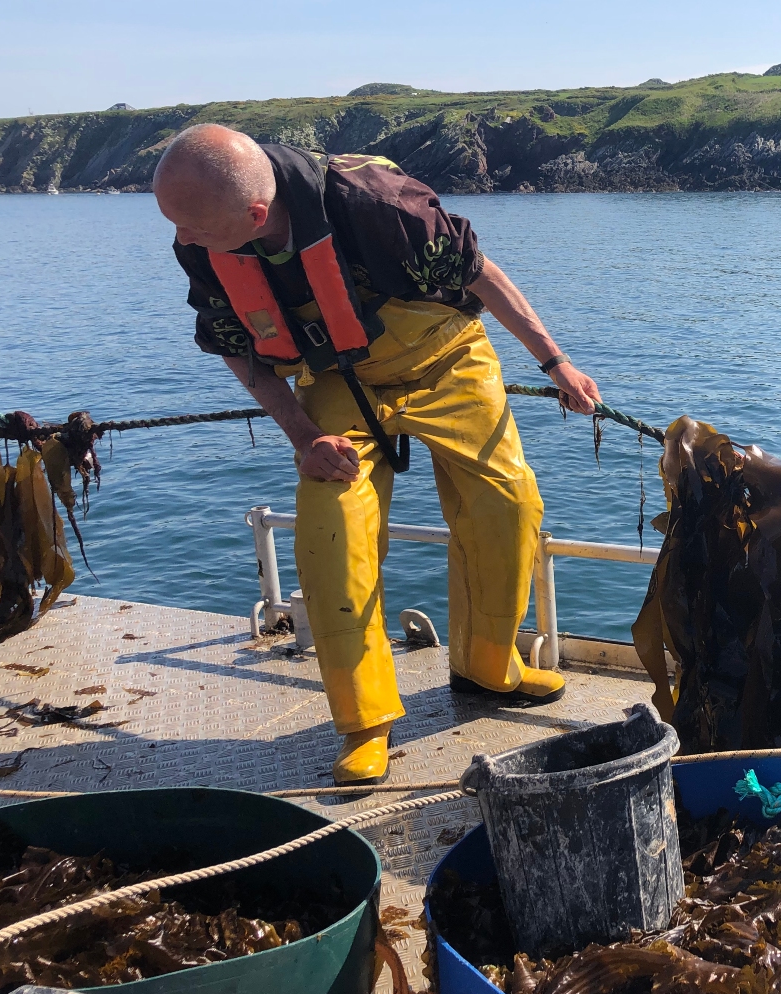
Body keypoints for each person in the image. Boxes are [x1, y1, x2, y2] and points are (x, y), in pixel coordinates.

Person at [153, 124, 601, 785]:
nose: (182, 240)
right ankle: (366, 722)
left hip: (447, 356)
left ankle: (488, 663)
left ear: (254, 213)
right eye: (177, 226)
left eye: (193, 228)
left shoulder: (380, 207)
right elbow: (238, 349)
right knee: (331, 523)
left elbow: (480, 276)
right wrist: (305, 439)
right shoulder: (203, 240)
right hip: (340, 378)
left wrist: (555, 362)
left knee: (507, 502)